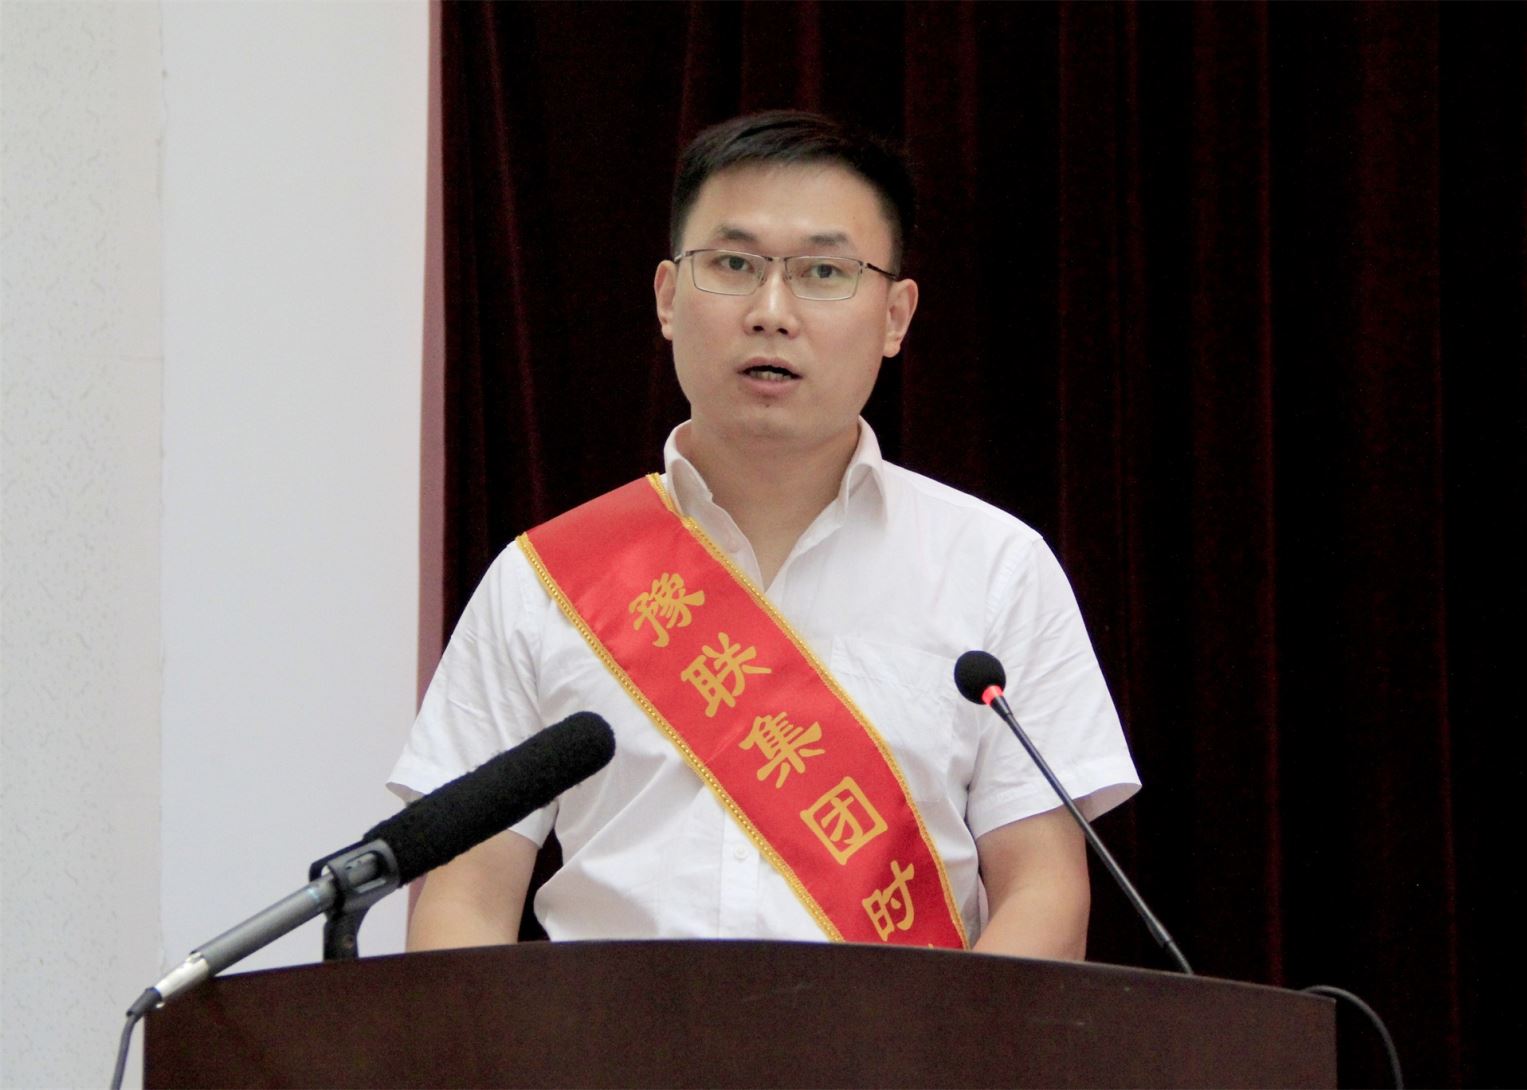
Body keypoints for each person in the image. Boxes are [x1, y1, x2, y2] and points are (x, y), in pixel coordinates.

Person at [390, 111, 1138, 960]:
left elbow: (1043, 889)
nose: (772, 312)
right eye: (734, 265)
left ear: (895, 317)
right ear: (668, 297)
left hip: (899, 1042)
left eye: (824, 272)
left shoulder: (996, 567)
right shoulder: (544, 581)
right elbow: (463, 902)